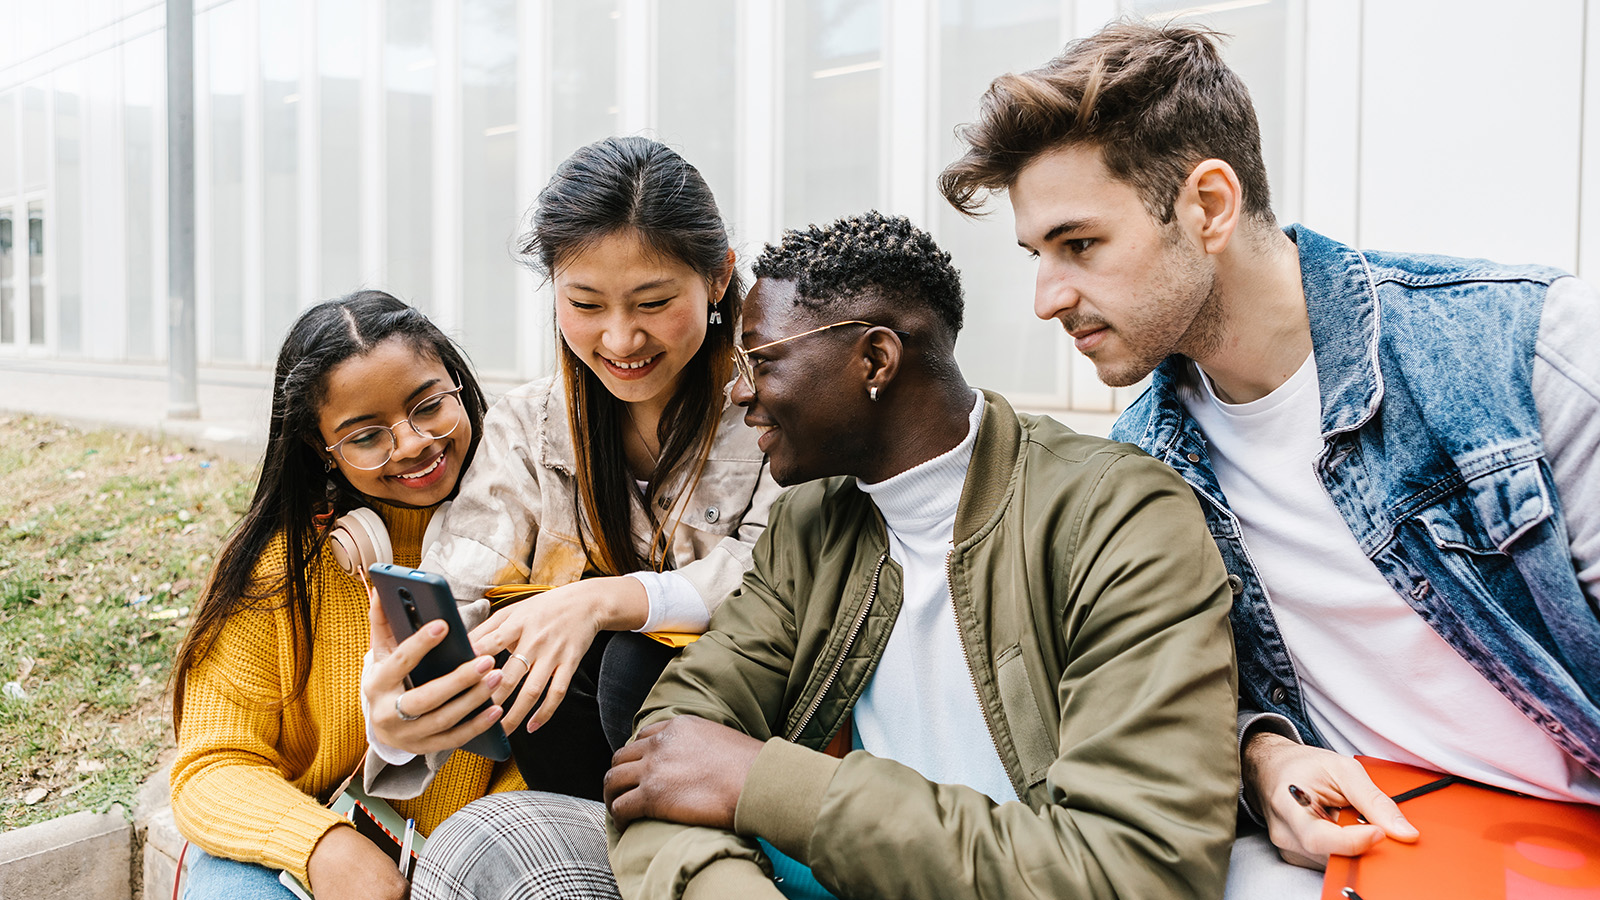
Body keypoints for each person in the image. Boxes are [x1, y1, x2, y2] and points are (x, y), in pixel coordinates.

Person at [937, 20, 1600, 898]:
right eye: (1037, 255)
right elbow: (1193, 696)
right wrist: (1263, 754)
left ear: (1208, 204)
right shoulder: (1142, 463)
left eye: (1080, 244)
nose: (1047, 298)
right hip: (1364, 860)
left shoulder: (1521, 348)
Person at [592, 210, 1238, 900]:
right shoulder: (810, 521)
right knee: (509, 832)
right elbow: (666, 753)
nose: (739, 392)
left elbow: (1136, 870)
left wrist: (765, 782)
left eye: (759, 360)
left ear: (874, 360)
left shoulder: (1113, 515)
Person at [362, 135, 781, 804]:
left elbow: (780, 575)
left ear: (720, 278)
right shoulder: (528, 425)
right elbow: (460, 592)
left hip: (753, 755)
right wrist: (397, 706)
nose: (620, 340)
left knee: (632, 663)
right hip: (585, 783)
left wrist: (605, 600)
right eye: (585, 305)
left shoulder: (781, 403)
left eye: (652, 303)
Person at [169, 291, 520, 900]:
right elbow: (212, 766)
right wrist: (322, 846)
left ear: (458, 384)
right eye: (365, 437)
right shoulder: (278, 567)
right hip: (298, 852)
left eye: (429, 405)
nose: (411, 444)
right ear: (318, 446)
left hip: (473, 857)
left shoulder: (538, 531)